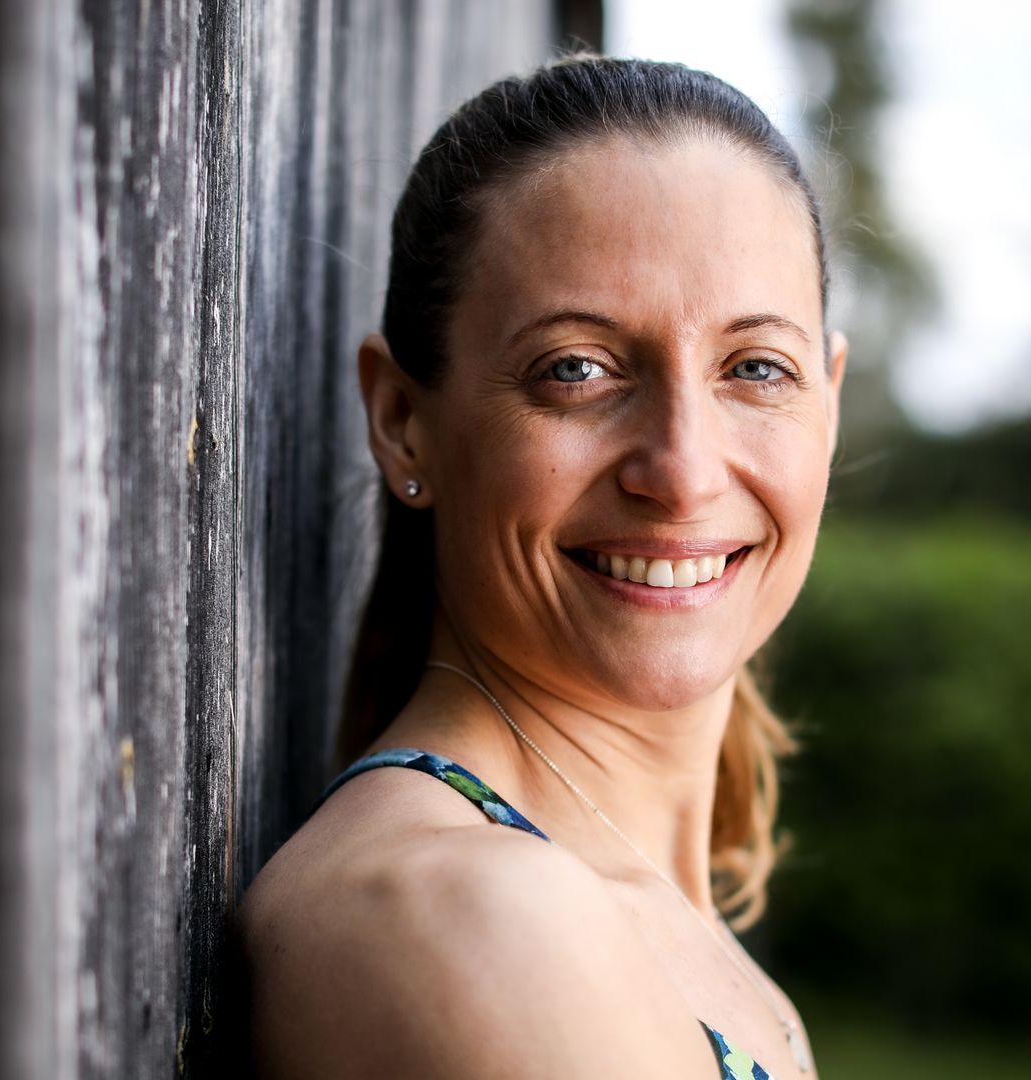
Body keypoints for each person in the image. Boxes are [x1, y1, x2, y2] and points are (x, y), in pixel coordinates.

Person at [240, 53, 846, 1080]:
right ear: (403, 423)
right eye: (577, 369)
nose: (685, 472)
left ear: (828, 405)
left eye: (755, 368)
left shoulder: (638, 910)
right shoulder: (468, 916)